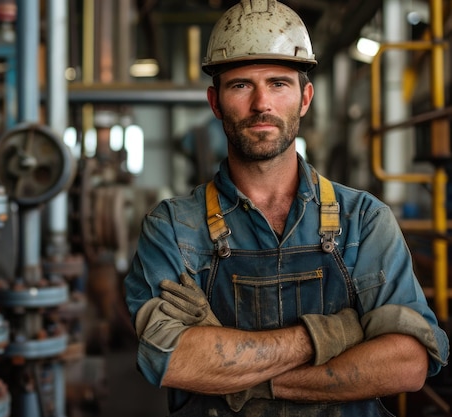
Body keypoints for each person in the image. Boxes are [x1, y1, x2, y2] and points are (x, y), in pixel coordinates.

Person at [123, 1, 450, 416]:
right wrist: (333, 334)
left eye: (279, 83)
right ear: (215, 102)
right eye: (241, 85)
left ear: (305, 97)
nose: (262, 103)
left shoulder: (364, 220)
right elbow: (170, 359)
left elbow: (406, 365)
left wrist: (244, 379)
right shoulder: (172, 227)